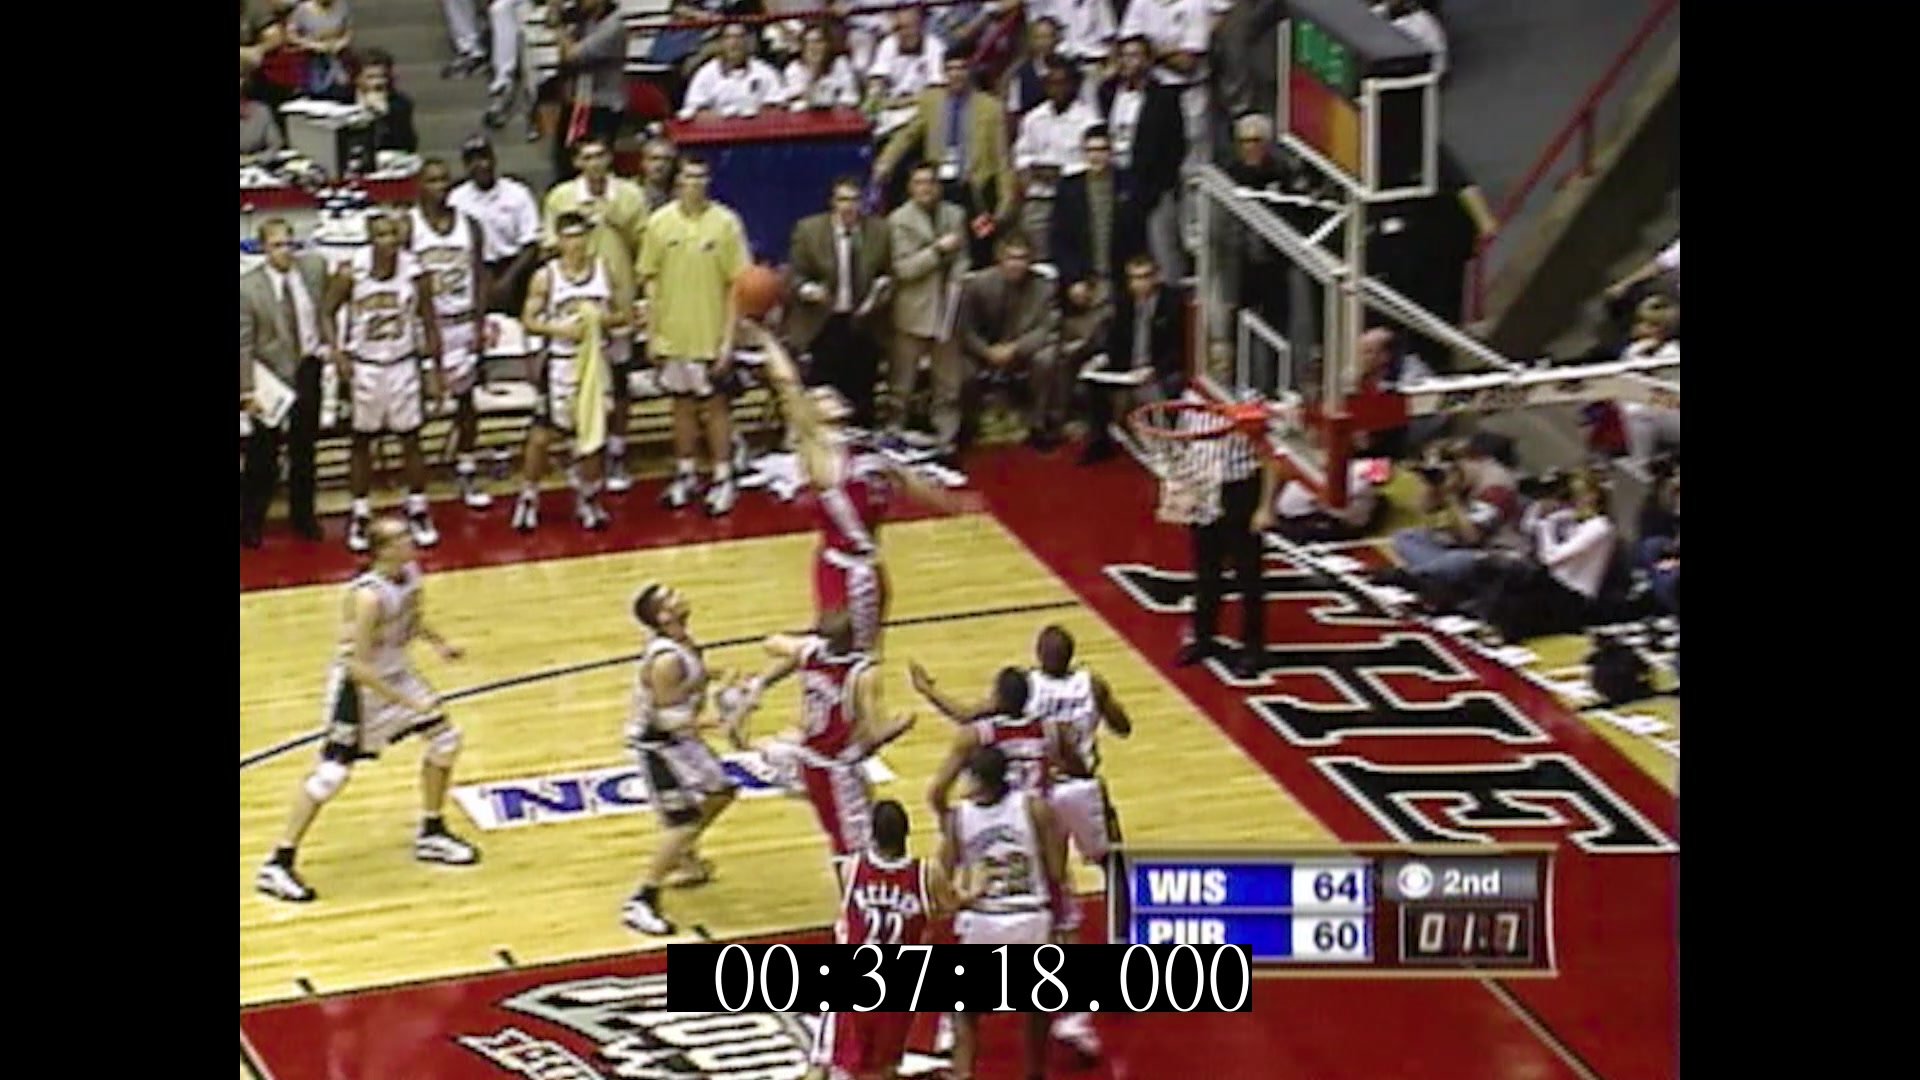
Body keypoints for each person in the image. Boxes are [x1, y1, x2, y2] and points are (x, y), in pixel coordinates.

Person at [255, 518, 480, 903]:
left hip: (397, 676)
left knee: (446, 740)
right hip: (358, 692)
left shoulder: (410, 574)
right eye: (402, 538)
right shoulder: (367, 598)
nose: (411, 541)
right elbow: (358, 668)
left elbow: (412, 619)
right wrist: (410, 703)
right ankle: (278, 862)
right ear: (383, 550)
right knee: (330, 777)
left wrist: (440, 644)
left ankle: (432, 831)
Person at [734, 319, 981, 654]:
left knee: (868, 659)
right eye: (820, 397)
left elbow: (907, 480)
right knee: (837, 658)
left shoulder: (866, 446)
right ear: (810, 412)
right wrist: (765, 341)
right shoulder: (818, 449)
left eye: (830, 393)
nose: (828, 395)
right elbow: (788, 384)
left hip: (872, 566)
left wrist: (952, 505)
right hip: (841, 568)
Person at [725, 610, 916, 880]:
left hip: (810, 760)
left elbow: (772, 643)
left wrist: (761, 683)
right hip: (836, 769)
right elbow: (874, 737)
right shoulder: (862, 673)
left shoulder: (811, 651)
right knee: (854, 848)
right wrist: (901, 724)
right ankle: (854, 900)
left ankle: (855, 892)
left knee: (847, 834)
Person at [1025, 624, 1128, 1063]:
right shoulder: (1092, 683)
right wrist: (1101, 708)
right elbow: (1123, 727)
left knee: (1053, 882)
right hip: (1083, 791)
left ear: (1039, 655)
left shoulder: (1028, 687)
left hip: (1044, 795)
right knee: (1115, 868)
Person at [621, 581, 744, 936]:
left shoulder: (684, 643)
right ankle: (642, 899)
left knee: (721, 792)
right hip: (659, 745)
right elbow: (666, 719)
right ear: (662, 616)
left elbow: (690, 681)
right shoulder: (666, 660)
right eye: (671, 597)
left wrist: (721, 676)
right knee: (684, 821)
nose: (681, 595)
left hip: (680, 740)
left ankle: (682, 856)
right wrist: (719, 721)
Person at [815, 799, 968, 1080]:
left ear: (872, 834)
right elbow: (952, 907)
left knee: (843, 1065)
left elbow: (847, 917)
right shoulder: (926, 874)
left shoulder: (851, 868)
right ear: (907, 832)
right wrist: (973, 889)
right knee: (884, 1067)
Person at [940, 744, 1066, 1080]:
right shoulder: (1034, 808)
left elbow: (941, 878)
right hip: (1030, 916)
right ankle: (1034, 1074)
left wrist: (964, 897)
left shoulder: (959, 818)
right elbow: (1056, 871)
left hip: (985, 918)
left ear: (977, 779)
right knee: (1038, 1007)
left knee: (963, 1011)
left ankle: (964, 1073)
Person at [321, 212, 443, 554]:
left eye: (393, 234)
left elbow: (429, 321)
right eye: (382, 235)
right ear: (370, 238)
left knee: (411, 439)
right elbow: (326, 312)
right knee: (361, 440)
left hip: (403, 363)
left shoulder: (415, 272)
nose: (389, 241)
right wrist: (337, 353)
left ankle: (417, 507)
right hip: (365, 366)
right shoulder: (351, 272)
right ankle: (360, 512)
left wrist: (435, 369)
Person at [638, 156, 751, 515]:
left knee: (715, 409)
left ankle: (723, 477)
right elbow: (650, 280)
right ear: (678, 182)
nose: (696, 182)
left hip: (710, 334)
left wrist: (728, 340)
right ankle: (686, 473)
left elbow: (738, 286)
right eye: (689, 176)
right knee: (681, 407)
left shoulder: (726, 223)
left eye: (702, 176)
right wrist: (652, 334)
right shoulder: (659, 223)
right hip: (673, 335)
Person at [511, 211, 631, 531]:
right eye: (570, 236)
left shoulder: (603, 270)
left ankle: (588, 497)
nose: (576, 243)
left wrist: (600, 321)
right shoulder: (546, 276)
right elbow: (528, 320)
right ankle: (528, 496)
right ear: (560, 240)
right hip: (560, 363)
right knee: (541, 436)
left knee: (593, 434)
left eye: (581, 235)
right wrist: (559, 329)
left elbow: (623, 315)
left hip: (596, 362)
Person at [406, 158, 496, 511]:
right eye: (432, 180)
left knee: (466, 402)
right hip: (424, 324)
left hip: (461, 321)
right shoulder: (409, 226)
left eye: (444, 179)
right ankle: (416, 485)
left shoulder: (470, 225)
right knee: (418, 406)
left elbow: (480, 275)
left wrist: (480, 322)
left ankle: (466, 468)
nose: (440, 186)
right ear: (419, 185)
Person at [240, 217, 334, 547]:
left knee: (304, 449)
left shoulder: (314, 268)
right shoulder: (248, 287)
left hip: (307, 367)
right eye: (277, 245)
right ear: (263, 248)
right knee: (263, 453)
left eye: (289, 243)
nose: (285, 251)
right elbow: (243, 343)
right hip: (269, 376)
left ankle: (303, 516)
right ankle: (251, 520)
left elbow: (328, 306)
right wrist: (246, 390)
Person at [1177, 400, 1279, 678]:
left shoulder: (1250, 405)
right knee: (1205, 571)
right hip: (1204, 487)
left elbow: (1270, 458)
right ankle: (1203, 637)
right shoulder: (1193, 401)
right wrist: (1183, 493)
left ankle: (1253, 648)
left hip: (1241, 490)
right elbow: (1186, 450)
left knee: (1248, 576)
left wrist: (1265, 507)